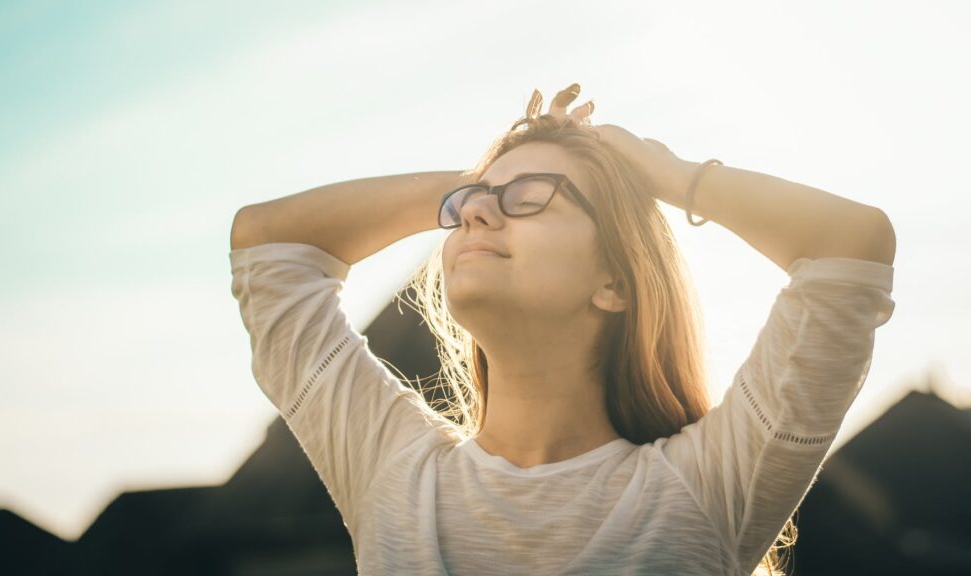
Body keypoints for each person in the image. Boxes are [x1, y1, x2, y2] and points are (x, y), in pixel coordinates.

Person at [228, 83, 896, 575]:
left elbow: (852, 245)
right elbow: (266, 242)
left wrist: (670, 176)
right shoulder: (392, 470)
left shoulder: (706, 486)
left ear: (615, 283)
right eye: (468, 208)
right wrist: (486, 173)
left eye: (529, 199)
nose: (479, 217)